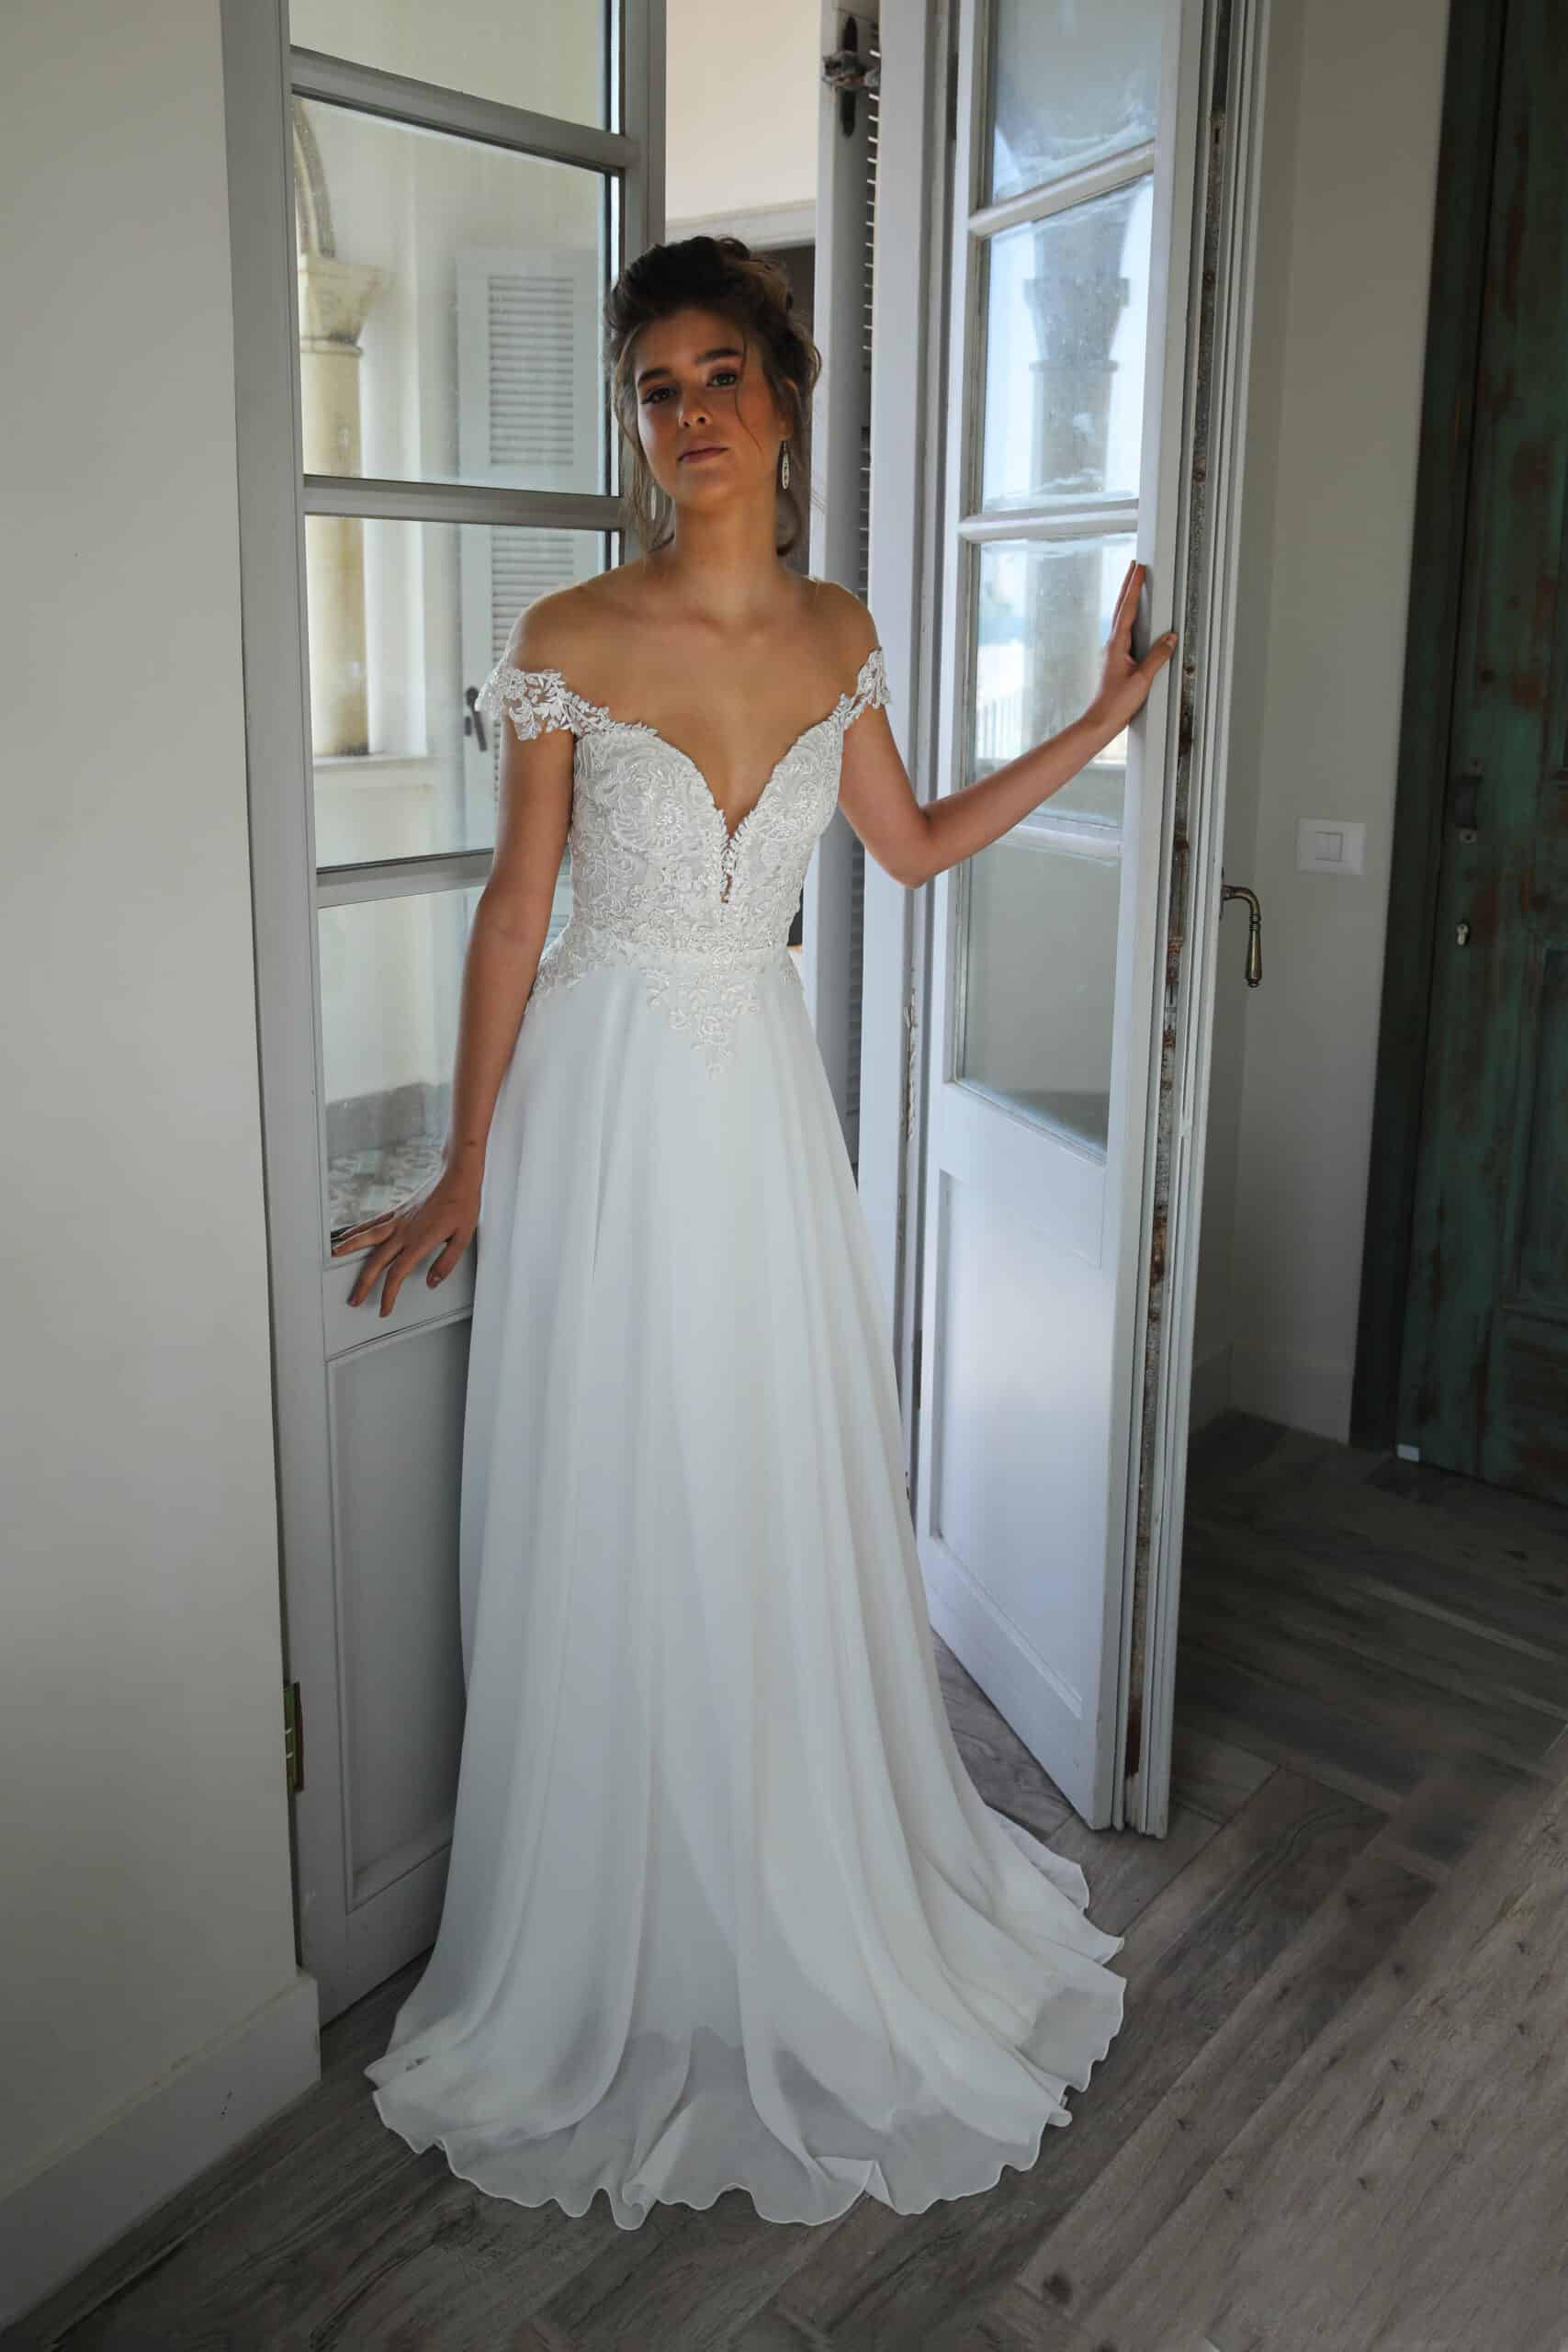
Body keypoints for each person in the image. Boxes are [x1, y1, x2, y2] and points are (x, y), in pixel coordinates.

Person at [337, 233, 1177, 2230]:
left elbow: (914, 846)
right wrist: (466, 1159)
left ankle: (783, 1884)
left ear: (783, 399)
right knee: (612, 1482)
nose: (690, 413)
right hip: (599, 1112)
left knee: (763, 1474)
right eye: (657, 388)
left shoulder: (839, 633)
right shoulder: (569, 631)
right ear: (635, 427)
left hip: (759, 1124)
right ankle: (615, 1915)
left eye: (722, 373)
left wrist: (1101, 720)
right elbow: (517, 910)